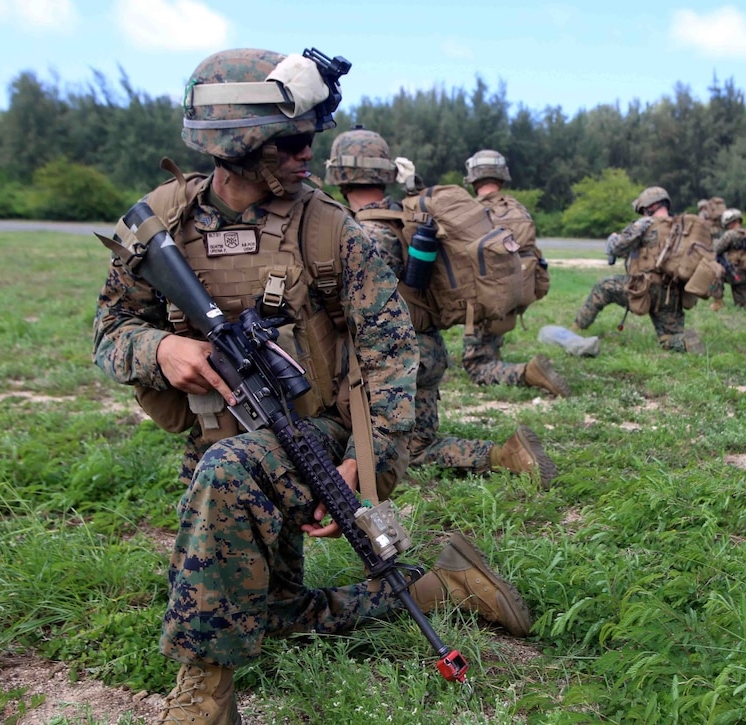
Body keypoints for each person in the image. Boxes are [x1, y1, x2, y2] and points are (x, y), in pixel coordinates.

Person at [93, 49, 532, 725]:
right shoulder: (161, 224)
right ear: (237, 143)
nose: (308, 154)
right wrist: (160, 346)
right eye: (292, 141)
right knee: (267, 614)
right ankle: (441, 584)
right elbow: (110, 331)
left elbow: (391, 351)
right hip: (216, 439)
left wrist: (369, 464)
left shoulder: (331, 231)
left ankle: (206, 696)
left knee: (228, 474)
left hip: (311, 437)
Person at [326, 129, 557, 487]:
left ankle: (503, 456)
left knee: (377, 445)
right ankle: (506, 455)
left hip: (391, 363)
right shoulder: (411, 219)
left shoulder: (360, 234)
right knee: (421, 443)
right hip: (429, 351)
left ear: (338, 176)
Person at [462, 149, 569, 397]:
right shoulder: (519, 210)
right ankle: (493, 352)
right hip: (518, 292)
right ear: (501, 177)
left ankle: (527, 373)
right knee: (489, 339)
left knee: (475, 366)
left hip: (485, 298)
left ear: (473, 177)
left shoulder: (471, 212)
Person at [571, 186, 704, 353]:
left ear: (650, 207)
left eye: (643, 210)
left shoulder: (644, 224)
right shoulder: (681, 228)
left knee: (603, 287)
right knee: (667, 339)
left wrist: (612, 239)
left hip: (645, 289)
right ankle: (684, 342)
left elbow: (617, 248)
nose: (642, 214)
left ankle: (576, 328)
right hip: (673, 293)